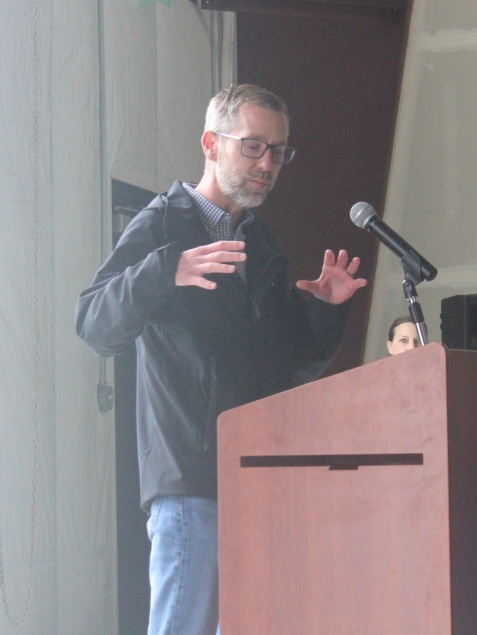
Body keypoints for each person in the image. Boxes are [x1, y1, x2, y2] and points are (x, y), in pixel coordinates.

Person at [75, 84, 366, 635]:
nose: (268, 164)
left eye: (279, 151)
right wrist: (167, 270)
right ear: (211, 143)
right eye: (253, 147)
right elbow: (94, 323)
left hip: (259, 473)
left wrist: (324, 311)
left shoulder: (263, 242)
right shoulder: (164, 225)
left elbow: (290, 368)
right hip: (191, 477)